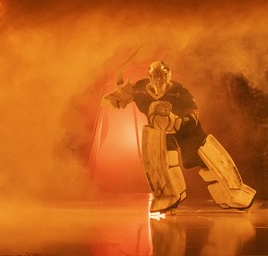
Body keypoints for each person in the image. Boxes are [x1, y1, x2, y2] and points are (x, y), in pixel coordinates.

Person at [102, 60, 256, 213]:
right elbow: (121, 97)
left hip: (184, 129)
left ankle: (234, 191)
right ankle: (168, 196)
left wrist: (178, 123)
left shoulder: (179, 91)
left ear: (168, 75)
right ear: (149, 76)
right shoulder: (140, 89)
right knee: (158, 154)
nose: (158, 80)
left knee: (206, 158)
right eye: (154, 75)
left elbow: (192, 115)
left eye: (162, 75)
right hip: (161, 131)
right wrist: (120, 90)